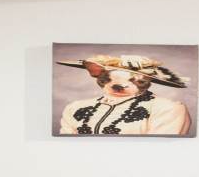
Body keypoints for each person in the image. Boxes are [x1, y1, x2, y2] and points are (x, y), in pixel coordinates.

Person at [57, 55, 191, 136]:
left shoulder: (167, 108)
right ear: (94, 72)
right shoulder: (76, 107)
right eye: (106, 80)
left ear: (150, 80)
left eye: (137, 81)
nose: (118, 86)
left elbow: (161, 150)